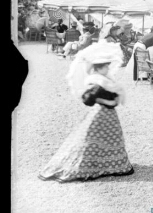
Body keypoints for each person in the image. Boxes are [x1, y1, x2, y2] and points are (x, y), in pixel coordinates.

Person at [39, 42, 134, 182]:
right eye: (105, 66)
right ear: (99, 68)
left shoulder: (104, 80)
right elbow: (88, 100)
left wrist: (112, 98)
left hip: (106, 114)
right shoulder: (97, 82)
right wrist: (109, 101)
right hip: (102, 114)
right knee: (96, 140)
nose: (108, 68)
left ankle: (111, 165)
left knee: (108, 139)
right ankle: (94, 166)